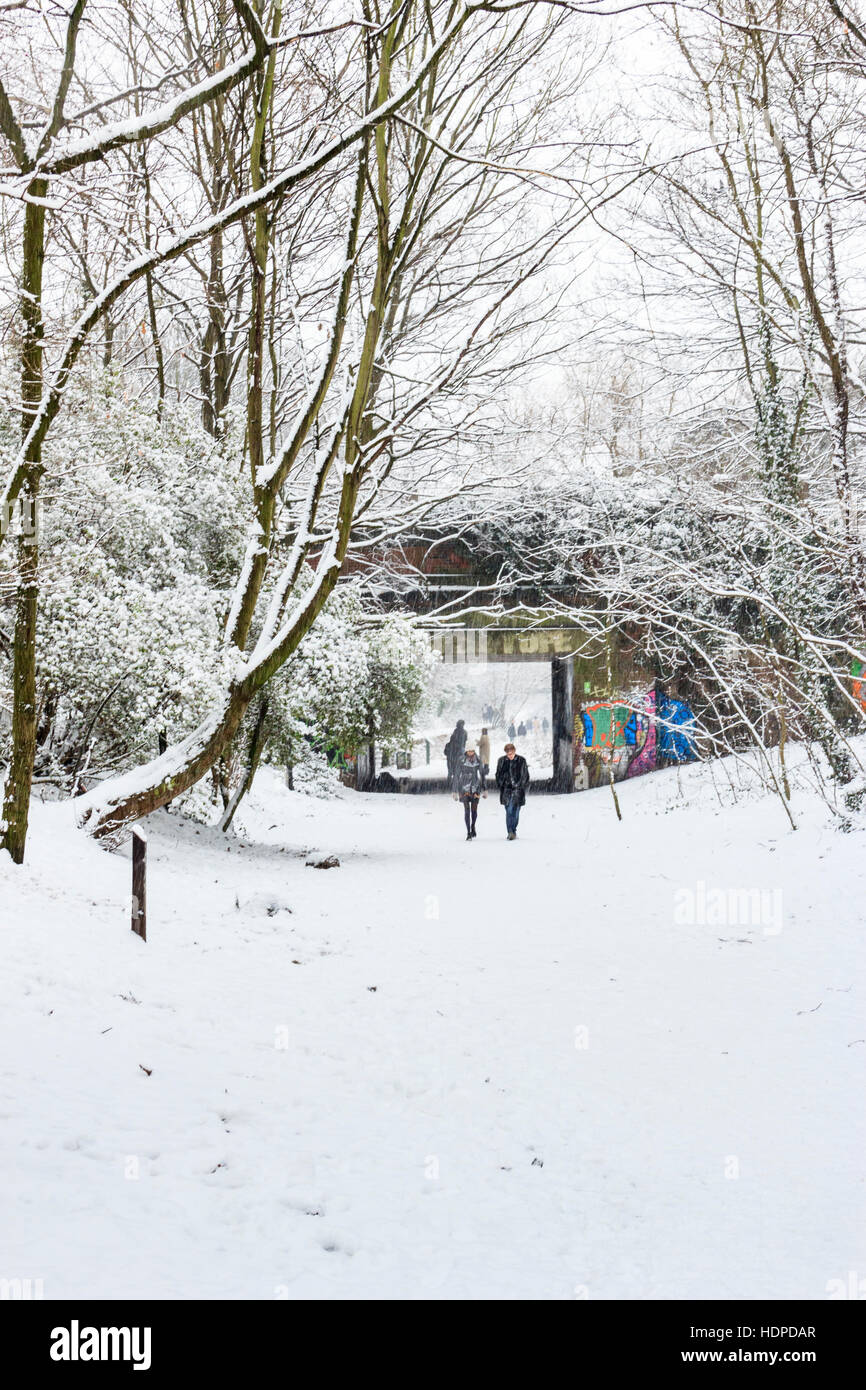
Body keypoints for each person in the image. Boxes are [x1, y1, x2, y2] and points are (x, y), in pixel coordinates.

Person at [495, 741, 530, 840]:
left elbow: (525, 775)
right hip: (507, 790)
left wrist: (520, 785)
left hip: (518, 790)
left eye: (511, 753)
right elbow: (498, 774)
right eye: (508, 754)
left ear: (514, 751)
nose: (509, 756)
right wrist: (501, 783)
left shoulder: (521, 761)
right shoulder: (502, 761)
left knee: (516, 812)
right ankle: (510, 832)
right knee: (509, 811)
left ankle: (514, 830)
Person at [453, 746, 486, 839]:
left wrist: (485, 789)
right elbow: (456, 775)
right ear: (466, 750)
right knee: (467, 810)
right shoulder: (461, 760)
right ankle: (468, 832)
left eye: (472, 750)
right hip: (464, 787)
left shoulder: (478, 759)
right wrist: (454, 790)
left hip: (475, 787)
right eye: (469, 750)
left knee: (474, 810)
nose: (470, 752)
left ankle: (473, 825)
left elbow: (482, 774)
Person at [443, 719, 466, 783]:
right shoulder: (463, 732)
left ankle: (451, 776)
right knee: (458, 764)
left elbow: (454, 740)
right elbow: (463, 742)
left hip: (454, 751)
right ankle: (456, 777)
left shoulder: (456, 732)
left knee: (452, 764)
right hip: (458, 750)